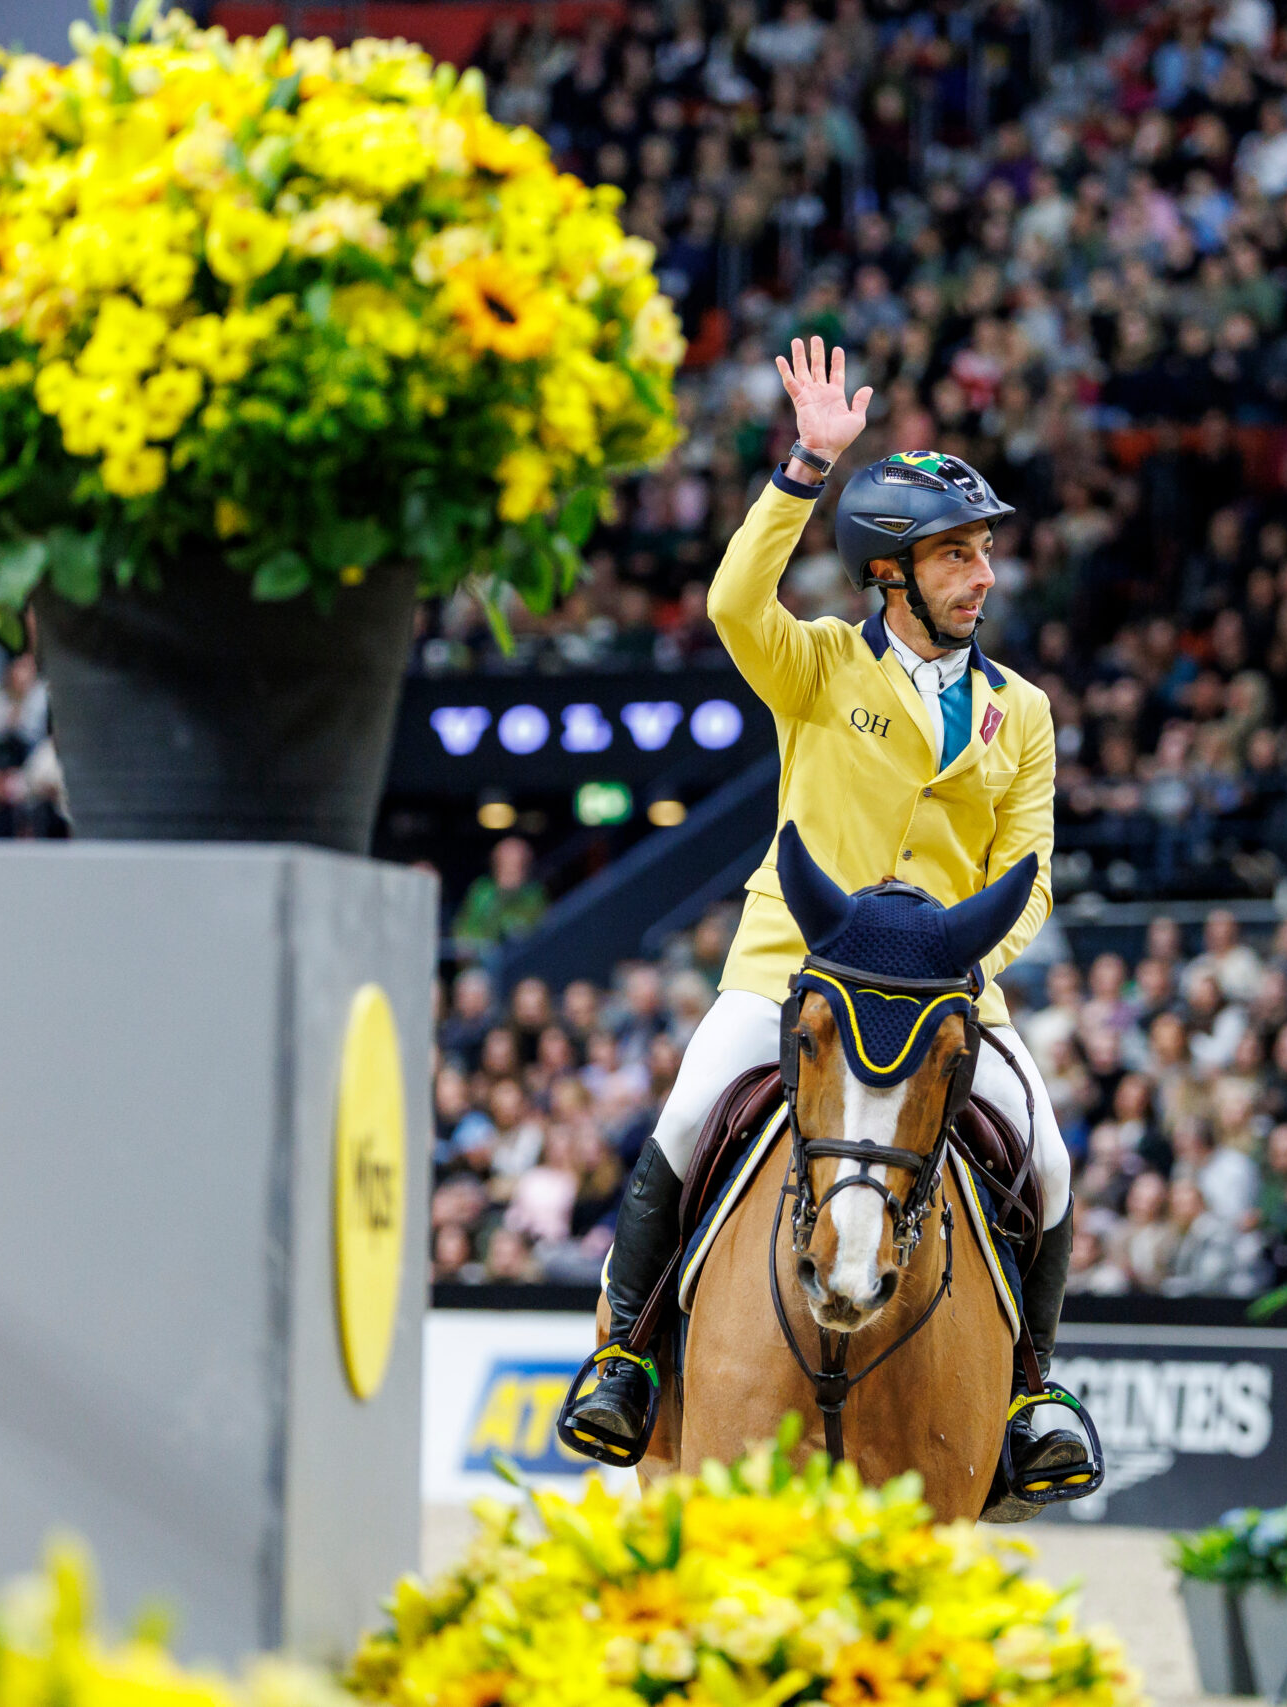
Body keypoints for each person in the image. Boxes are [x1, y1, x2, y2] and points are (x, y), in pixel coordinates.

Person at [559, 339, 1090, 1508]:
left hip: (949, 990)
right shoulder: (814, 671)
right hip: (790, 970)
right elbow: (731, 600)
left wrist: (954, 958)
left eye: (985, 550)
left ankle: (1032, 1396)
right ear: (889, 575)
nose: (982, 574)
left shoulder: (1024, 713)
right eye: (957, 554)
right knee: (693, 1111)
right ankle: (624, 1363)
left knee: (1045, 1157)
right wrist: (805, 466)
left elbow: (1031, 875)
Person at [454, 836, 547, 956]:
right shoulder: (482, 891)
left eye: (516, 864)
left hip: (524, 960)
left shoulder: (534, 894)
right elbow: (465, 930)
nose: (511, 870)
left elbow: (539, 930)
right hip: (482, 961)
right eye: (506, 863)